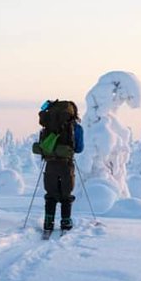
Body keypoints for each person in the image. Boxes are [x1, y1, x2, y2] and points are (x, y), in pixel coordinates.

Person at [32, 99, 84, 233]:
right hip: (66, 164)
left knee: (51, 193)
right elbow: (79, 148)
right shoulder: (75, 127)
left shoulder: (49, 125)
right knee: (66, 193)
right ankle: (65, 222)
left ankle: (48, 221)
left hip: (50, 163)